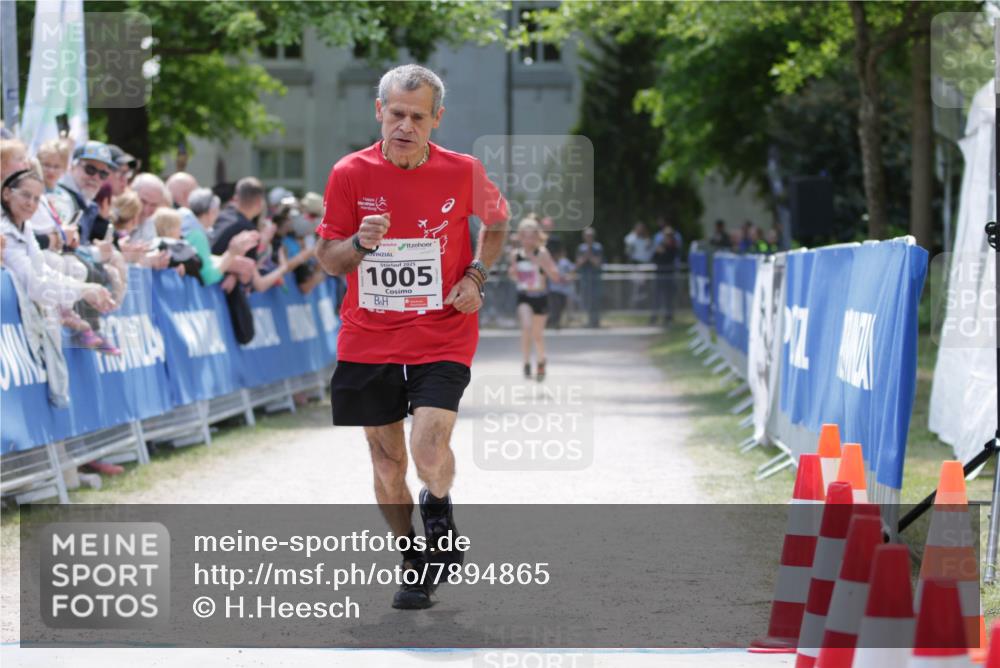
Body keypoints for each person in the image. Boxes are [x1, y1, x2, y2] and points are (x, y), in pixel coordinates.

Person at [314, 64, 509, 610]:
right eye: (396, 113)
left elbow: (498, 221)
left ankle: (440, 506)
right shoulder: (349, 173)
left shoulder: (462, 170)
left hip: (441, 330)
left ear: (436, 120)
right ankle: (413, 561)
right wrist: (358, 242)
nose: (405, 125)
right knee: (385, 463)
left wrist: (475, 275)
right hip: (369, 337)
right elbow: (329, 260)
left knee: (427, 447)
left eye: (417, 116)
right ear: (380, 111)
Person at [509, 217, 560, 378]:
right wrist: (513, 272)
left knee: (537, 335)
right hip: (524, 296)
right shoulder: (516, 254)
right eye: (525, 236)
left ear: (537, 236)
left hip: (540, 296)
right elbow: (513, 276)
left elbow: (556, 276)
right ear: (520, 237)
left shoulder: (542, 253)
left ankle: (541, 360)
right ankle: (525, 362)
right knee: (526, 327)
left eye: (532, 236)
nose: (528, 240)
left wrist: (539, 263)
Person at [651, 225, 679, 325]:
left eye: (669, 235)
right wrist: (658, 252)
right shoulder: (660, 245)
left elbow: (670, 258)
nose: (668, 237)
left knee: (668, 298)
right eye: (666, 235)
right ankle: (654, 318)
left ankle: (668, 318)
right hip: (659, 275)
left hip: (669, 275)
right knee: (657, 297)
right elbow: (654, 258)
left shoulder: (673, 246)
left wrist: (664, 252)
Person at [575, 227, 603, 328]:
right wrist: (585, 257)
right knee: (586, 300)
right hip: (585, 279)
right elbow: (578, 264)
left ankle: (596, 321)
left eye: (590, 236)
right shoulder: (581, 248)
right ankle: (588, 321)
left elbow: (598, 263)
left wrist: (590, 256)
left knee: (595, 300)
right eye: (587, 236)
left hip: (595, 279)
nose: (588, 238)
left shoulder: (598, 247)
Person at [546, 246, 575, 329]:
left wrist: (569, 277)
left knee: (562, 306)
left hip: (563, 290)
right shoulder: (550, 262)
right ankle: (555, 323)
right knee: (555, 306)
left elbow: (572, 271)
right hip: (553, 289)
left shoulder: (565, 262)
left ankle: (553, 321)